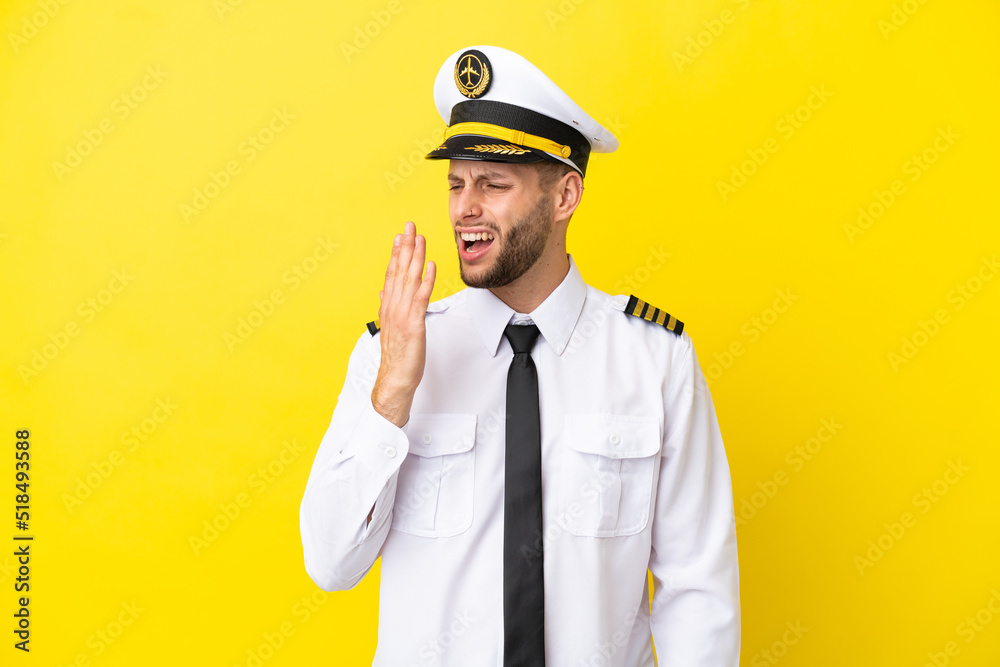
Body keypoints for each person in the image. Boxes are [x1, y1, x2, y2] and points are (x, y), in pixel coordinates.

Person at [299, 45, 740, 666]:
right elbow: (329, 562)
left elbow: (699, 592)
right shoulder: (391, 354)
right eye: (455, 183)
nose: (465, 208)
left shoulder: (656, 360)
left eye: (493, 183)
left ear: (565, 196)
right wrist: (393, 394)